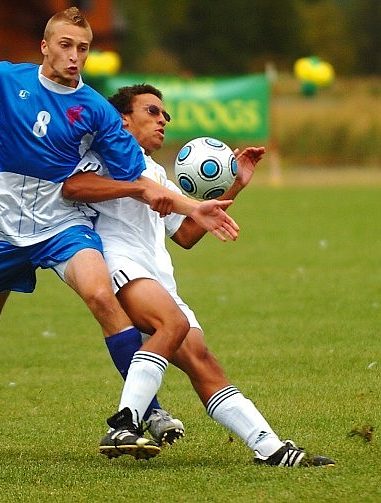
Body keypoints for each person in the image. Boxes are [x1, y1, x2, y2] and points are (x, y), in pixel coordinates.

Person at [0, 7, 240, 459]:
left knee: (101, 295)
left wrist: (193, 207)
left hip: (62, 224)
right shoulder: (5, 81)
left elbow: (141, 180)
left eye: (83, 48)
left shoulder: (97, 111)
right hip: (0, 232)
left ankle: (147, 412)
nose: (74, 56)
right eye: (65, 45)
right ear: (45, 46)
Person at [62, 83, 335, 466]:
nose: (163, 121)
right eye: (152, 111)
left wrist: (237, 183)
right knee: (170, 325)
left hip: (155, 274)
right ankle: (124, 422)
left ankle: (270, 448)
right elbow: (73, 186)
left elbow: (186, 234)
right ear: (123, 119)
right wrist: (136, 189)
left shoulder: (156, 171)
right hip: (118, 261)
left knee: (202, 359)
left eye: (166, 115)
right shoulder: (104, 153)